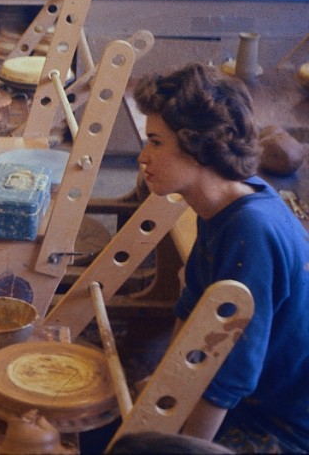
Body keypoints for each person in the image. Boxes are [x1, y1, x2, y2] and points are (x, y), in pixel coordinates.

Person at [132, 63, 308, 452]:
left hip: (280, 425)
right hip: (252, 398)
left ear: (198, 147)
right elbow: (194, 303)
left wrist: (172, 442)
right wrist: (168, 384)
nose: (143, 157)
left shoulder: (252, 230)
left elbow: (229, 378)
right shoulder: (225, 201)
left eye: (156, 142)